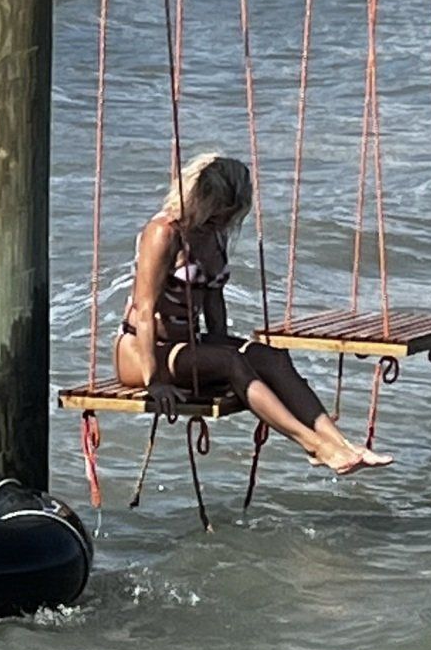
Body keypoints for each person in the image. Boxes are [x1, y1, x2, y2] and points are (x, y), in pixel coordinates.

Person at [115, 151, 392, 475]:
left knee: (270, 356)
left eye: (228, 216)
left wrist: (215, 353)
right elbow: (145, 309)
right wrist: (155, 382)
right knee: (231, 361)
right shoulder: (164, 232)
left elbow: (214, 303)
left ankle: (341, 444)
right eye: (217, 214)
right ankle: (313, 445)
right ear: (200, 199)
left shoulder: (213, 235)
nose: (222, 223)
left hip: (185, 347)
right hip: (140, 352)